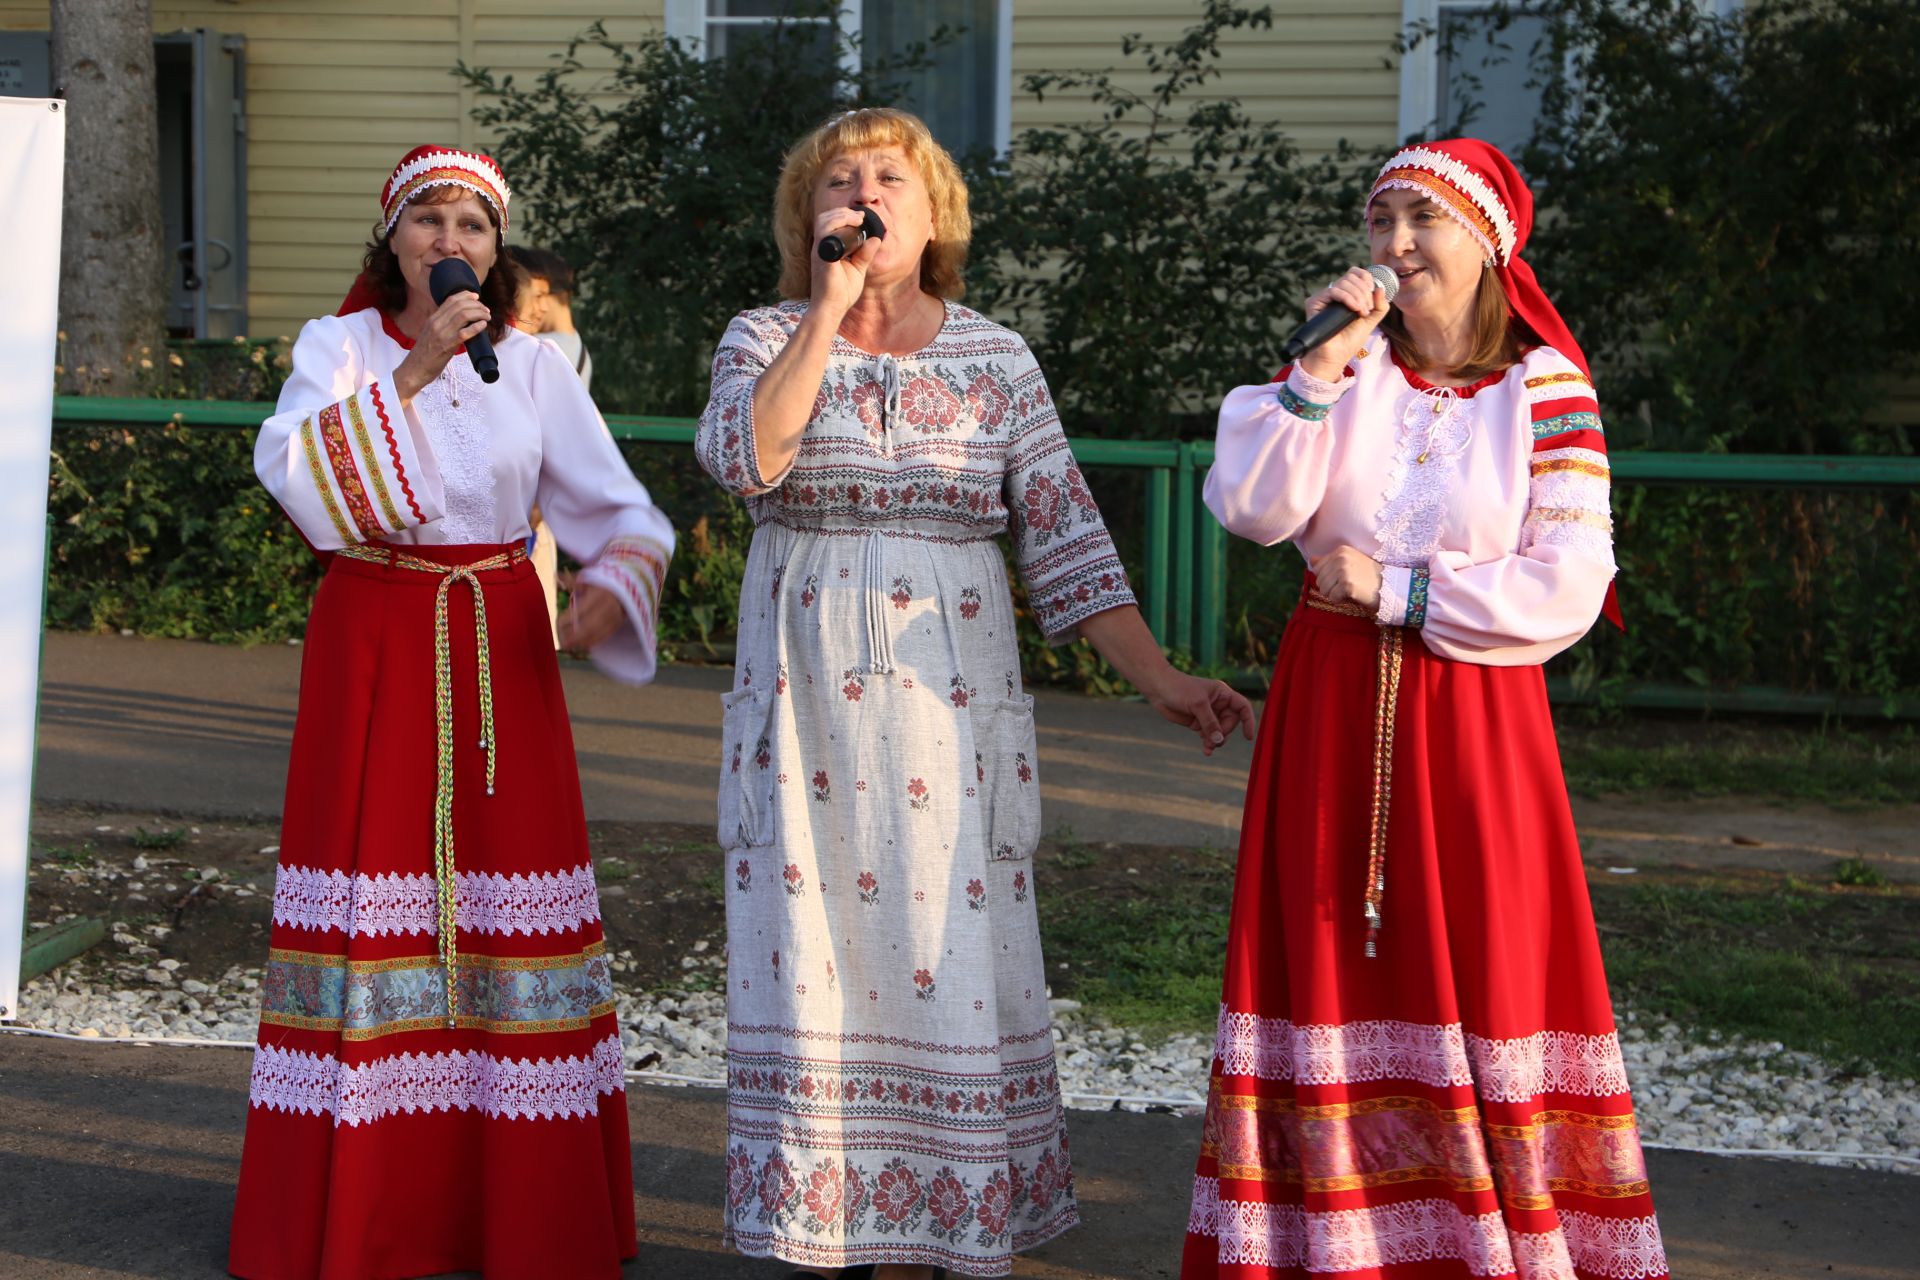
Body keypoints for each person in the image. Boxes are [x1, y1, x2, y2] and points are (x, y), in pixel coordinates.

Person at [695, 106, 1254, 1278]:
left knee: (944, 944)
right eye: (835, 182)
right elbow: (748, 460)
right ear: (807, 220)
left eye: (886, 175)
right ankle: (835, 1223)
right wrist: (827, 312)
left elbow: (1065, 543)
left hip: (949, 715)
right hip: (803, 715)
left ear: (933, 209)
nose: (860, 194)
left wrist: (1158, 678)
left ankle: (943, 1225)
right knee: (817, 951)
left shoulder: (997, 357)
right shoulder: (760, 337)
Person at [1182, 139, 1666, 1279]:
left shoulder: (1547, 385)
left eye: (1421, 221)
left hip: (1478, 714)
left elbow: (1572, 578)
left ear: (1487, 243)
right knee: (1324, 948)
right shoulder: (1351, 372)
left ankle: (1494, 1239)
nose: (1396, 246)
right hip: (1331, 705)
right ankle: (1333, 1240)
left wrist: (1400, 590)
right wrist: (1315, 374)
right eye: (1380, 222)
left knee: (1488, 957)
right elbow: (1250, 508)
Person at [231, 145, 674, 1280]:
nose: (450, 240)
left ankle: (525, 1213)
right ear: (393, 242)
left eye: (471, 223)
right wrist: (417, 370)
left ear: (495, 246)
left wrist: (604, 588)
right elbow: (294, 476)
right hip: (374, 643)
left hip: (499, 650)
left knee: (509, 910)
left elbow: (623, 508)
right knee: (367, 912)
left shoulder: (531, 362)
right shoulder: (336, 350)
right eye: (427, 219)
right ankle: (366, 1213)